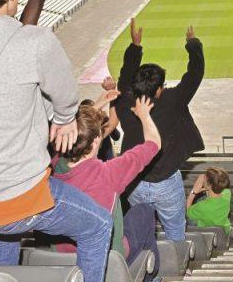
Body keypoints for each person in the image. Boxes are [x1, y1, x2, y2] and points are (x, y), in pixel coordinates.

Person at [0, 0, 112, 282]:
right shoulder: (35, 42)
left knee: (4, 230)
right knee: (99, 225)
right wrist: (65, 118)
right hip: (17, 200)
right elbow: (67, 96)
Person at [113, 19, 205, 242]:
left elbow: (125, 78)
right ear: (158, 90)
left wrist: (135, 47)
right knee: (175, 227)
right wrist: (192, 44)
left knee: (143, 227)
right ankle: (178, 269)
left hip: (133, 182)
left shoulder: (125, 101)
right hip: (165, 182)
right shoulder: (173, 101)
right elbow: (195, 74)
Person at [51, 97, 161, 281]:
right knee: (145, 210)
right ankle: (153, 275)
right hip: (109, 257)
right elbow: (154, 143)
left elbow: (71, 136)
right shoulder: (109, 173)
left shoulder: (55, 166)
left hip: (63, 259)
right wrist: (144, 115)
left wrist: (96, 106)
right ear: (95, 141)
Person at [186, 168, 232, 235]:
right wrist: (207, 187)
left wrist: (193, 191)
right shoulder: (227, 194)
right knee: (203, 198)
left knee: (190, 217)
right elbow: (214, 193)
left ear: (209, 185)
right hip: (224, 232)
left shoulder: (202, 206)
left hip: (208, 235)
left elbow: (188, 212)